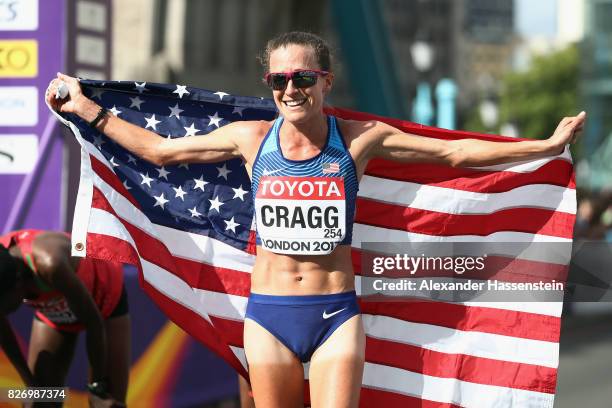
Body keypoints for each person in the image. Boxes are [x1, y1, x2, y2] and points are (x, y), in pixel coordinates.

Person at [46, 31, 585, 407]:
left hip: (335, 316)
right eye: (278, 80)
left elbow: (455, 156)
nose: (289, 90)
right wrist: (85, 109)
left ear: (325, 81)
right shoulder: (250, 139)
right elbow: (161, 152)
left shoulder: (359, 140)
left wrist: (545, 145)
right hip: (269, 317)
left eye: (301, 77)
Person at [0, 230, 130, 407]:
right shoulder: (7, 270)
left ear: (19, 282)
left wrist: (96, 389)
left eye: (4, 308)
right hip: (56, 311)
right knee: (42, 400)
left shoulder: (50, 263)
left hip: (103, 302)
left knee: (107, 403)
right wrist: (32, 386)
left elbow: (94, 324)